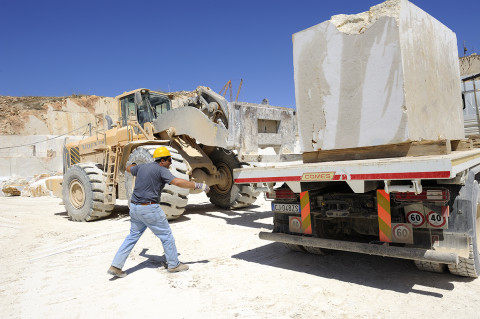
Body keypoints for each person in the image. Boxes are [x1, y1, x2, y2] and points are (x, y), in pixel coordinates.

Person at [108, 146, 210, 278]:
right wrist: (199, 185)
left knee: (132, 236)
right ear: (162, 161)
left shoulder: (141, 167)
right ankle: (174, 265)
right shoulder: (161, 170)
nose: (171, 162)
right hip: (149, 209)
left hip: (134, 208)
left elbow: (128, 169)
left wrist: (133, 164)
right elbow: (177, 182)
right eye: (169, 160)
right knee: (166, 235)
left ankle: (116, 266)